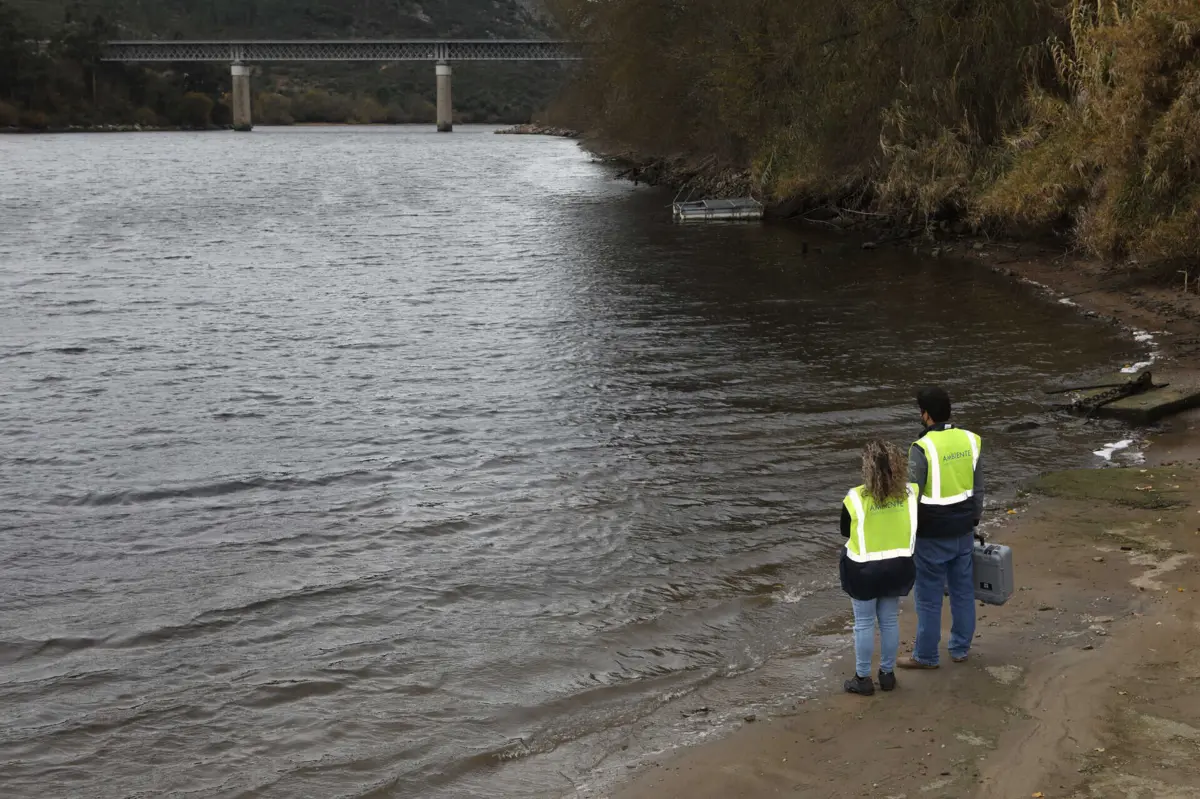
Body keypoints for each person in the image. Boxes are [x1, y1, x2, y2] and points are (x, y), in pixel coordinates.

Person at [898, 386, 984, 670]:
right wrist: (973, 520)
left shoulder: (921, 447)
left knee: (929, 597)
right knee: (962, 591)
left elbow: (911, 494)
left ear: (925, 415)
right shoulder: (971, 440)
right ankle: (960, 648)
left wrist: (906, 535)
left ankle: (926, 656)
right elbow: (978, 489)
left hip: (931, 533)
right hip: (962, 528)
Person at [839, 439, 918, 696]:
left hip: (863, 570)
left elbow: (843, 530)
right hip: (898, 566)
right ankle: (886, 675)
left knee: (863, 623)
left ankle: (862, 678)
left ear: (867, 469)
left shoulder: (855, 497)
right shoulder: (909, 494)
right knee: (889, 620)